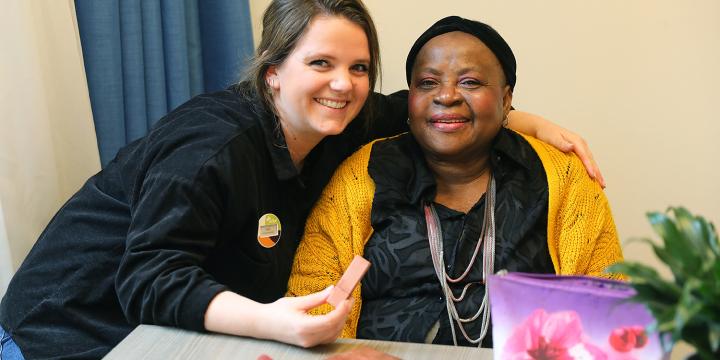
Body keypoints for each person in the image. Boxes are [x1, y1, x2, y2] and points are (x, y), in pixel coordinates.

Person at [0, 2, 605, 359]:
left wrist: (526, 120)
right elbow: (148, 277)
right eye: (320, 63)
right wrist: (276, 322)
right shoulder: (218, 146)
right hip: (66, 333)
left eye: (358, 67)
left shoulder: (332, 126)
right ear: (272, 74)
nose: (342, 83)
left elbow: (421, 106)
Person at [286, 15, 623, 348]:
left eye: (470, 82)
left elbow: (608, 318)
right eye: (428, 83)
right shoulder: (363, 176)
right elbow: (316, 306)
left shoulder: (562, 178)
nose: (446, 96)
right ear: (410, 99)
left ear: (507, 100)